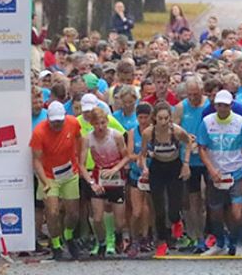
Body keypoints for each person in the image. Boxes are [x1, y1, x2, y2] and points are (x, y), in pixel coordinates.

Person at [198, 90, 242, 256]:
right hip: (216, 173)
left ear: (231, 106)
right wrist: (211, 169)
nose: (222, 108)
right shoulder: (207, 122)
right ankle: (220, 242)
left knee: (237, 212)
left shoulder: (241, 123)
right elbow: (202, 148)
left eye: (225, 105)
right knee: (215, 212)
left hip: (236, 171)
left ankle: (239, 243)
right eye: (219, 105)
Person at [30, 102, 82, 260]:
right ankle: (56, 243)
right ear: (48, 119)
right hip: (49, 175)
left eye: (60, 121)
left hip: (69, 173)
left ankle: (68, 235)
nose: (57, 125)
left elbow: (80, 138)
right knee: (52, 211)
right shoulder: (39, 132)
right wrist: (44, 181)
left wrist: (79, 159)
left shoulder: (73, 123)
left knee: (73, 213)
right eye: (54, 122)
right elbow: (36, 160)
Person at [141, 102, 193, 257]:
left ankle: (177, 220)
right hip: (157, 168)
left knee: (173, 207)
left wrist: (186, 164)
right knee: (159, 209)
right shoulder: (148, 133)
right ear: (154, 118)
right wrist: (144, 168)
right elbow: (142, 154)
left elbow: (188, 142)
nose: (163, 122)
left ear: (170, 118)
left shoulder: (176, 131)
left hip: (174, 167)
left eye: (166, 118)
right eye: (160, 119)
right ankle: (162, 241)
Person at [79, 107, 131, 256]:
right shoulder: (87, 138)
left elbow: (127, 156)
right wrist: (91, 183)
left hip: (116, 176)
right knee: (97, 217)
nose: (100, 127)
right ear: (91, 124)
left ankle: (115, 236)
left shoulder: (116, 136)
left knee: (120, 221)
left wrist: (116, 169)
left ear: (107, 122)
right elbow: (81, 164)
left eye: (103, 123)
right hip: (99, 176)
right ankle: (101, 241)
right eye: (96, 124)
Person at [173, 76, 210, 253]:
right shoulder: (181, 107)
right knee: (193, 200)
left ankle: (210, 233)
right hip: (188, 159)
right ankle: (197, 236)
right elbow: (173, 131)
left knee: (207, 197)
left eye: (196, 94)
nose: (193, 98)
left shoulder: (209, 105)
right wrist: (185, 138)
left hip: (207, 157)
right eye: (190, 95)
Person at [126, 102, 152, 258]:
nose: (143, 121)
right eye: (140, 117)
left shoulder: (154, 132)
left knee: (148, 208)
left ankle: (146, 237)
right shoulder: (132, 132)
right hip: (137, 174)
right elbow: (130, 154)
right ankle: (134, 238)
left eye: (145, 117)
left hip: (152, 174)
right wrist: (140, 157)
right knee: (137, 210)